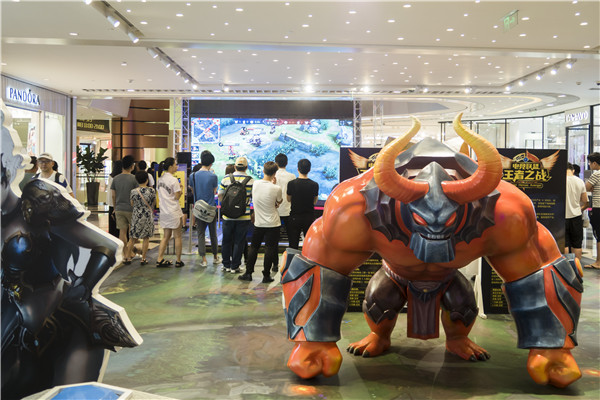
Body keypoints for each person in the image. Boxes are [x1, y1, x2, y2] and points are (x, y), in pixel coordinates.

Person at [1, 102, 141, 399]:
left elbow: (104, 246)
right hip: (9, 317)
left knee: (69, 392)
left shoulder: (35, 201)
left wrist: (83, 288)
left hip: (58, 318)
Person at [239, 161, 282, 283]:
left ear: (263, 171)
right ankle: (266, 275)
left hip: (258, 223)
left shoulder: (256, 184)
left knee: (254, 248)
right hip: (273, 224)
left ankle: (248, 273)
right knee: (269, 249)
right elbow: (279, 202)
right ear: (275, 174)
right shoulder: (276, 188)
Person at [218, 157, 253, 274]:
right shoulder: (251, 181)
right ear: (246, 167)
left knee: (226, 240)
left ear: (234, 167)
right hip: (244, 216)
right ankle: (235, 266)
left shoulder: (226, 178)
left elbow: (220, 195)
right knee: (239, 241)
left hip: (227, 216)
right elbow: (253, 198)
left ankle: (225, 264)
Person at [190, 151, 220, 267]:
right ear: (211, 163)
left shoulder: (193, 175)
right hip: (211, 208)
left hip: (198, 209)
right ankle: (215, 257)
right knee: (213, 234)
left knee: (201, 234)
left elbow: (193, 191)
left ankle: (203, 259)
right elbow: (214, 192)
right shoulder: (213, 176)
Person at [156, 157, 185, 268]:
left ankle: (159, 258)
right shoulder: (173, 180)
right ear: (170, 166)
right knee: (177, 236)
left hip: (164, 211)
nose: (177, 166)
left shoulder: (160, 179)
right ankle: (178, 260)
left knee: (166, 236)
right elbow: (177, 197)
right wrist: (181, 189)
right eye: (175, 164)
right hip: (173, 211)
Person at [111, 155, 138, 264]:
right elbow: (137, 194)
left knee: (122, 232)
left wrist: (114, 207)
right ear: (132, 166)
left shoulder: (116, 178)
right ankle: (129, 253)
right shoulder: (134, 178)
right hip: (131, 209)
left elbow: (113, 195)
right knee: (132, 233)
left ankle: (125, 254)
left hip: (119, 208)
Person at [286, 158, 319, 249]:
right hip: (309, 217)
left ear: (298, 169)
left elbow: (288, 199)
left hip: (294, 217)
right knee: (309, 245)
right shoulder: (314, 184)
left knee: (293, 245)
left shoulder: (291, 184)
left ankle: (292, 262)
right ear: (309, 169)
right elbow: (315, 201)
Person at [272, 153, 296, 272]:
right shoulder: (292, 176)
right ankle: (291, 263)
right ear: (286, 163)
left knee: (274, 240)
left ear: (276, 163)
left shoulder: (272, 175)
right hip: (288, 210)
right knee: (292, 239)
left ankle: (275, 264)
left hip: (275, 210)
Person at [130, 170, 156, 265]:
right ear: (147, 180)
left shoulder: (133, 191)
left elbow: (132, 204)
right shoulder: (151, 191)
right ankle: (143, 258)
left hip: (136, 215)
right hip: (147, 216)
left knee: (132, 237)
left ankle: (128, 257)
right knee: (146, 237)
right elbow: (154, 203)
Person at [565, 162, 588, 262]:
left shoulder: (559, 181)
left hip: (562, 217)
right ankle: (577, 268)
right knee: (577, 243)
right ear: (573, 170)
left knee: (564, 243)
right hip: (576, 216)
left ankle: (565, 267)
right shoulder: (580, 181)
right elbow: (585, 201)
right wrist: (580, 209)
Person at [585, 152, 600, 269]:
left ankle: (598, 262)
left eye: (590, 163)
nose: (589, 165)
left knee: (598, 235)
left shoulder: (596, 174)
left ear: (595, 163)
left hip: (598, 208)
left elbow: (587, 187)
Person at [107, 160, 123, 238]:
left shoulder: (110, 176)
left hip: (110, 203)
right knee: (118, 225)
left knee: (112, 224)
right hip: (117, 203)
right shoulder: (118, 178)